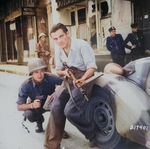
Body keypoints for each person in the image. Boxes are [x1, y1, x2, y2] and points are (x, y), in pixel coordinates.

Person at [44, 23, 97, 149]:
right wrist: (65, 72)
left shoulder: (81, 45)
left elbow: (92, 67)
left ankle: (94, 134)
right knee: (56, 107)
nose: (59, 41)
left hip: (85, 78)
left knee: (70, 111)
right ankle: (51, 145)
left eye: (61, 36)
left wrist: (83, 79)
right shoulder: (59, 50)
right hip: (68, 80)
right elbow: (58, 70)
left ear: (68, 34)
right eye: (55, 39)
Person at [16, 58, 68, 138]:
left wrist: (58, 91)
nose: (39, 75)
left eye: (42, 71)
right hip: (37, 105)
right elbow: (19, 107)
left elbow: (66, 82)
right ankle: (39, 121)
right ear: (31, 73)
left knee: (59, 105)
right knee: (29, 114)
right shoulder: (26, 86)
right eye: (36, 72)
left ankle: (59, 128)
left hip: (51, 103)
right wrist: (32, 105)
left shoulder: (50, 78)